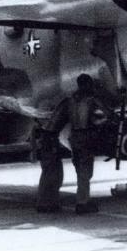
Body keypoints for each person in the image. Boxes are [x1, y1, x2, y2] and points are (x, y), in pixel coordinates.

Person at [35, 73, 109, 214]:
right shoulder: (92, 100)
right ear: (88, 85)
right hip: (85, 137)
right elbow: (107, 115)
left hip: (70, 138)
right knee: (84, 172)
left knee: (54, 171)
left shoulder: (68, 101)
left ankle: (46, 203)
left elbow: (56, 120)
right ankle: (82, 202)